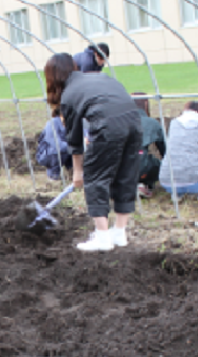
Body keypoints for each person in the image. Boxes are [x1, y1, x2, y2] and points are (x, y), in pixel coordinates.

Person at [45, 53, 142, 252]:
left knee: (96, 177)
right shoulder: (97, 77)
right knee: (126, 176)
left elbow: (74, 140)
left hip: (109, 126)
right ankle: (119, 233)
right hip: (135, 123)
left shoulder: (68, 95)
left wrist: (79, 172)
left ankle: (103, 237)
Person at [131, 93, 166, 198]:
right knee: (156, 163)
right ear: (146, 104)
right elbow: (164, 150)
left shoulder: (116, 121)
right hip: (138, 168)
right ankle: (145, 185)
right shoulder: (151, 123)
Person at [36, 109, 72, 181]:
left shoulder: (72, 123)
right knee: (61, 151)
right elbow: (56, 144)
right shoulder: (52, 123)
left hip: (67, 150)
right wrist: (76, 147)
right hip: (48, 154)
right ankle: (53, 175)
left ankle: (72, 172)